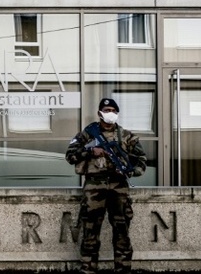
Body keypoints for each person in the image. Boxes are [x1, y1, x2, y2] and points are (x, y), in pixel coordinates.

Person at [65, 98, 147, 274]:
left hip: (119, 187)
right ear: (100, 113)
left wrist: (129, 171)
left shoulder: (126, 136)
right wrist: (90, 150)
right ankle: (88, 269)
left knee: (122, 231)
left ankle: (123, 269)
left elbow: (142, 161)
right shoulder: (88, 134)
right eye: (107, 110)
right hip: (94, 186)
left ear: (117, 113)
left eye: (113, 110)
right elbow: (70, 156)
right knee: (90, 232)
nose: (110, 113)